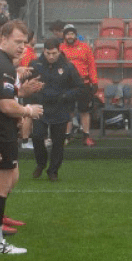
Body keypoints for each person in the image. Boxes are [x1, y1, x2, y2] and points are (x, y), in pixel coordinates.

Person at [0, 21, 43, 254]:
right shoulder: (4, 66)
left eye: (25, 42)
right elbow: (4, 104)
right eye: (17, 41)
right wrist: (27, 111)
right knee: (0, 186)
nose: (22, 47)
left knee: (8, 178)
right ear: (3, 38)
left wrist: (20, 93)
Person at [28, 38, 86, 182]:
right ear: (44, 51)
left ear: (59, 51)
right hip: (41, 108)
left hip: (60, 108)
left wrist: (65, 96)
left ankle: (53, 171)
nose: (51, 56)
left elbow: (80, 87)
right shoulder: (35, 65)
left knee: (58, 142)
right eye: (48, 53)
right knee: (37, 136)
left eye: (54, 53)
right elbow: (26, 85)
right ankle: (41, 163)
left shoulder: (68, 67)